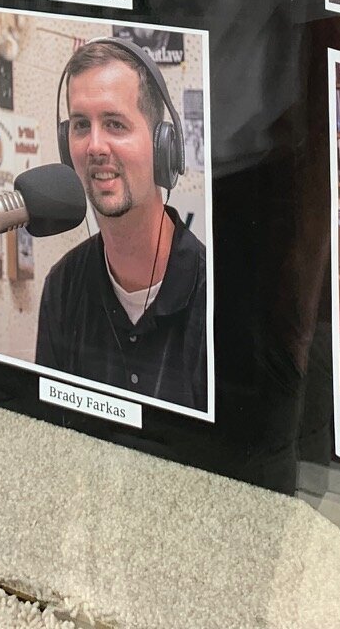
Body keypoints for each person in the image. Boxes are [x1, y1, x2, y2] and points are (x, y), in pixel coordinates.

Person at [32, 37, 207, 409]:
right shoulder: (62, 287)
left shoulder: (214, 295)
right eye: (81, 125)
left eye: (114, 124)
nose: (94, 146)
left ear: (163, 147)